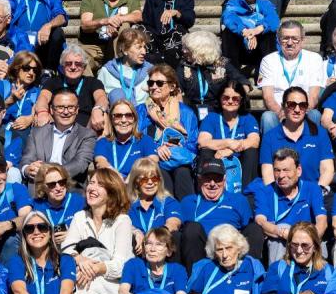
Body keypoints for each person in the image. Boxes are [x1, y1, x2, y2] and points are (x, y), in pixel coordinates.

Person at [62, 168, 133, 294]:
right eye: (91, 183)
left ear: (112, 192)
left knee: (93, 285)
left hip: (114, 283)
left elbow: (121, 265)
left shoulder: (122, 221)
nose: (92, 188)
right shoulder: (80, 217)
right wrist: (80, 259)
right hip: (84, 275)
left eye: (100, 185)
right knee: (80, 282)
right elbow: (66, 248)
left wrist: (96, 269)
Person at [254, 148, 328, 263]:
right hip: (282, 241)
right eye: (277, 170)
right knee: (278, 238)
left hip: (308, 241)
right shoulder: (265, 191)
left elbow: (322, 221)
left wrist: (304, 238)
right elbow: (260, 221)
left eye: (286, 170)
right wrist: (282, 233)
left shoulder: (312, 189)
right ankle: (278, 277)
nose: (281, 175)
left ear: (298, 170)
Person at [136, 64, 198, 199]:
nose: (154, 86)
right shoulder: (141, 111)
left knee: (183, 173)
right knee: (161, 175)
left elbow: (192, 144)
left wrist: (176, 147)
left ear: (172, 87)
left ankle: (189, 216)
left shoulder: (185, 112)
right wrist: (156, 149)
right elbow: (137, 138)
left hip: (179, 160)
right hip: (152, 161)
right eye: (151, 83)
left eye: (159, 83)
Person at [179, 157, 251, 273]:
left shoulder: (239, 200)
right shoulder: (188, 202)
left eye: (217, 179)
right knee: (191, 228)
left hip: (230, 251)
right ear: (200, 179)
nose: (212, 184)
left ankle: (245, 275)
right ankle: (195, 281)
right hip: (200, 252)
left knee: (255, 229)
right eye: (207, 178)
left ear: (224, 179)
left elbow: (248, 228)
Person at [261, 87, 334, 190]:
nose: (297, 110)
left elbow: (327, 169)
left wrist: (316, 193)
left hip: (312, 194)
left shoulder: (319, 134)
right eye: (292, 105)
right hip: (281, 196)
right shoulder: (270, 137)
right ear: (283, 106)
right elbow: (268, 175)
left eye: (302, 105)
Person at [20, 87, 97, 186]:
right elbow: (26, 159)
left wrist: (48, 172)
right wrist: (28, 169)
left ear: (77, 110)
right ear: (51, 110)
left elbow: (79, 164)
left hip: (69, 187)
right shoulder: (36, 133)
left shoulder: (87, 135)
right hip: (39, 187)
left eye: (71, 107)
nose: (65, 112)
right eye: (60, 107)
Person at [258, 20, 324, 133]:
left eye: (294, 38)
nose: (289, 42)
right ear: (278, 40)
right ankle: (271, 150)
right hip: (278, 111)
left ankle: (311, 148)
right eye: (285, 38)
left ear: (303, 40)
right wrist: (281, 112)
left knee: (315, 114)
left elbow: (313, 96)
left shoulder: (314, 59)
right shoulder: (268, 60)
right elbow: (268, 97)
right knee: (267, 117)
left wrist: (299, 111)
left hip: (304, 110)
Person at [78, 0, 142, 73]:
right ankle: (89, 88)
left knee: (125, 26)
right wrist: (105, 21)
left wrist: (118, 21)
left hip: (118, 45)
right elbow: (85, 25)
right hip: (94, 46)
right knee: (80, 60)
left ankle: (120, 74)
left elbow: (138, 16)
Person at [197, 79, 261, 188]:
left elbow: (254, 141)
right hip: (217, 161)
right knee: (205, 151)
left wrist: (230, 150)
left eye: (235, 98)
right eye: (226, 98)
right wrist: (228, 142)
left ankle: (247, 193)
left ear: (241, 100)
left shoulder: (247, 118)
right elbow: (202, 142)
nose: (230, 101)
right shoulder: (211, 117)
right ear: (220, 98)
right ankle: (208, 190)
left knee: (251, 151)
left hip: (239, 162)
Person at [6, 0, 67, 70]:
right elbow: (4, 9)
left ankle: (48, 71)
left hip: (42, 44)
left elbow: (62, 17)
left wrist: (48, 25)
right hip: (20, 45)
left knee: (58, 33)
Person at [35, 46, 109, 132]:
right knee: (39, 115)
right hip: (56, 128)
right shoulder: (52, 82)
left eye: (78, 64)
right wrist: (42, 112)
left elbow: (101, 98)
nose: (73, 67)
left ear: (84, 67)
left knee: (104, 116)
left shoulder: (93, 82)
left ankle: (98, 144)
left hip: (86, 130)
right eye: (68, 63)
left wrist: (97, 109)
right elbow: (43, 97)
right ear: (62, 67)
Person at [177, 31, 248, 120]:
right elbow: (177, 90)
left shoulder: (222, 64)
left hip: (218, 110)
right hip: (192, 110)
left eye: (187, 48)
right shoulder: (183, 65)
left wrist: (233, 100)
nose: (183, 50)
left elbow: (243, 82)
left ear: (200, 50)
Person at [220, 0, 279, 75]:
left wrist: (256, 30)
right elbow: (229, 18)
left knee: (269, 32)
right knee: (227, 31)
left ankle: (266, 74)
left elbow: (273, 20)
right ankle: (234, 76)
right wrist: (245, 31)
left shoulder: (265, 4)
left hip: (260, 50)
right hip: (240, 49)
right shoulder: (233, 4)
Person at [141, 0, 195, 66]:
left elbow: (190, 20)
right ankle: (154, 62)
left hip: (175, 39)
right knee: (141, 30)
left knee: (179, 31)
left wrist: (177, 13)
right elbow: (147, 21)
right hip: (156, 38)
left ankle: (168, 63)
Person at [126, 158, 181, 255]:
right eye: (144, 179)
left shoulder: (167, 201)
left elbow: (174, 222)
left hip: (161, 252)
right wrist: (136, 232)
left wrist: (152, 239)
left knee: (175, 236)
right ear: (136, 182)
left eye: (154, 178)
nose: (150, 182)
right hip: (135, 252)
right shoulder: (127, 203)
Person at [94, 99, 158, 179]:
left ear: (134, 119)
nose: (123, 120)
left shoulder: (145, 140)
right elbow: (101, 162)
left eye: (128, 115)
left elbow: (152, 161)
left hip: (136, 186)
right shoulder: (103, 142)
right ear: (111, 120)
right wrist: (117, 179)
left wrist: (131, 179)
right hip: (110, 186)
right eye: (118, 116)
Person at [0, 52, 42, 144]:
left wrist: (30, 119)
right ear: (17, 68)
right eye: (27, 68)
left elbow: (46, 116)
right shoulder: (1, 85)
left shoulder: (37, 92)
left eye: (35, 70)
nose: (31, 73)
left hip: (26, 139)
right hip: (2, 136)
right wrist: (10, 101)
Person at [30, 163, 85, 247]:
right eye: (52, 184)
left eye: (62, 182)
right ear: (42, 186)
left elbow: (88, 231)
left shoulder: (78, 202)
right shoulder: (36, 205)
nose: (58, 188)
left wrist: (72, 236)